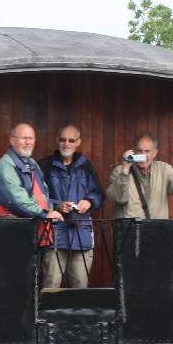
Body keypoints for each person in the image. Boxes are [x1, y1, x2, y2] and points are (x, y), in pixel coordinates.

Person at [0, 123, 64, 281]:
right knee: (18, 281)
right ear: (12, 140)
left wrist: (55, 206)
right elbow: (16, 199)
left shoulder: (32, 164)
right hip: (16, 234)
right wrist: (45, 213)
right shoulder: (6, 165)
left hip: (35, 233)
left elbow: (42, 196)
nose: (29, 142)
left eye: (31, 138)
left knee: (34, 281)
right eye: (24, 138)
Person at [38, 124, 104, 289]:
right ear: (57, 141)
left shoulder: (85, 165)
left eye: (71, 140)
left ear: (78, 142)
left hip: (81, 233)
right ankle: (48, 316)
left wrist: (89, 201)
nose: (66, 144)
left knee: (80, 286)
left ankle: (78, 316)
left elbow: (99, 193)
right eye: (62, 140)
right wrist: (56, 205)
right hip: (54, 235)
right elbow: (35, 198)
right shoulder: (45, 165)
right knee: (50, 286)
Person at [106, 133, 173, 219]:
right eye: (139, 151)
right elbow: (119, 198)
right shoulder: (120, 171)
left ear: (155, 153)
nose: (143, 155)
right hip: (129, 234)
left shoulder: (163, 169)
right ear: (134, 152)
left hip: (156, 232)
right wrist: (125, 170)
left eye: (147, 151)